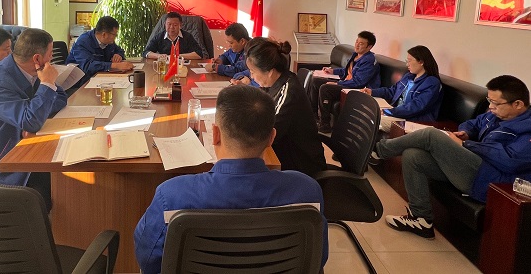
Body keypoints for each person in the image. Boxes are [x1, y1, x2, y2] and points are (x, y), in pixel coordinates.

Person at [134, 85, 329, 273]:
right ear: (271, 138)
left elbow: (148, 260)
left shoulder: (171, 196)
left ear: (215, 134)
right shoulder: (307, 191)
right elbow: (317, 258)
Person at [373, 75, 531, 239]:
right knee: (414, 156)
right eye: (489, 101)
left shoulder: (527, 129)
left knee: (430, 135)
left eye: (496, 103)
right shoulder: (495, 115)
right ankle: (421, 219)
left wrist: (466, 144)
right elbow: (473, 124)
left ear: (518, 104)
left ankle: (378, 150)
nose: (490, 107)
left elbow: (510, 160)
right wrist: (466, 133)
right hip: (475, 166)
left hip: (490, 181)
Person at [0, 28, 67, 198]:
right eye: (50, 54)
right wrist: (47, 85)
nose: (52, 58)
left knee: (61, 173)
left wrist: (35, 109)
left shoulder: (30, 71)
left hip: (16, 145)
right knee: (58, 184)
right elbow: (31, 121)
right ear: (37, 58)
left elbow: (60, 99)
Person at [245, 37, 326, 175]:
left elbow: (271, 132)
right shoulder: (276, 82)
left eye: (253, 72)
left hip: (300, 165)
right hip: (285, 152)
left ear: (270, 72)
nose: (252, 77)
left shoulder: (289, 90)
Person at [310, 31, 380, 133]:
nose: (357, 45)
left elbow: (359, 82)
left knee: (326, 88)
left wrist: (338, 83)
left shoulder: (369, 61)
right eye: (356, 42)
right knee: (316, 81)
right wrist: (332, 71)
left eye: (361, 44)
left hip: (357, 89)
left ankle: (324, 124)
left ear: (369, 47)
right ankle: (313, 117)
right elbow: (347, 71)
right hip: (347, 83)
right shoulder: (355, 55)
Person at [363, 45, 442, 122]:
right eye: (407, 61)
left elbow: (416, 106)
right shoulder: (408, 76)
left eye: (409, 61)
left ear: (421, 62)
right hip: (397, 114)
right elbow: (393, 91)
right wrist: (372, 92)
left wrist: (389, 112)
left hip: (413, 120)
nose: (407, 64)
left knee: (372, 120)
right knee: (367, 112)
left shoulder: (432, 83)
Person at [66, 15, 133, 82]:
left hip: (100, 77)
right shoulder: (82, 42)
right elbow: (87, 66)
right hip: (79, 82)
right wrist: (115, 65)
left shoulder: (108, 42)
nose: (115, 37)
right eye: (114, 35)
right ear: (104, 34)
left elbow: (119, 50)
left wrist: (119, 55)